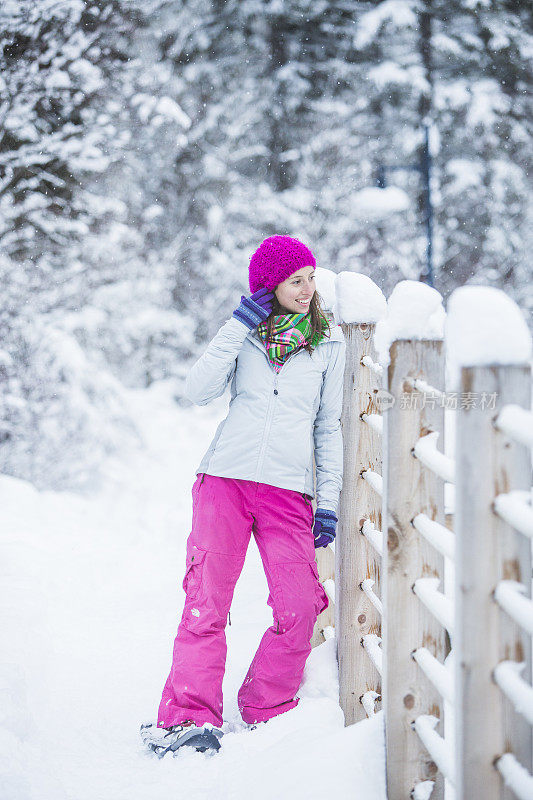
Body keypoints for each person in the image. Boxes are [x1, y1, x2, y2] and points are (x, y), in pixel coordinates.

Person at [140, 235, 346, 759]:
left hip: (288, 490)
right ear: (268, 287)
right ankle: (188, 717)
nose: (307, 289)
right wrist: (238, 324)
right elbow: (198, 389)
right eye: (295, 280)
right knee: (206, 602)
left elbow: (328, 428)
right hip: (225, 481)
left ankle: (266, 707)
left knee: (301, 604)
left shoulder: (329, 343)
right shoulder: (245, 336)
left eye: (310, 279)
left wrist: (328, 500)